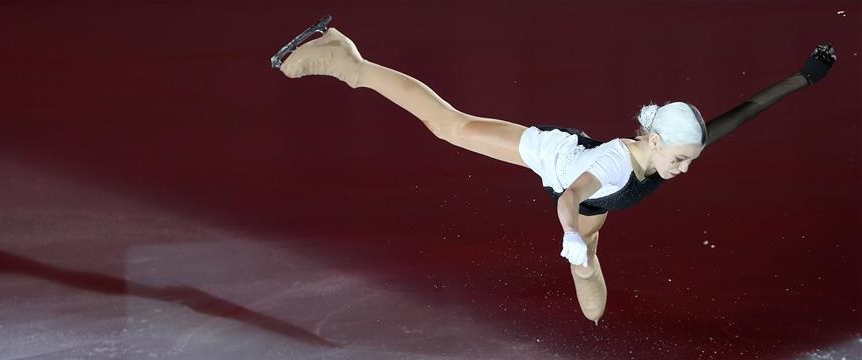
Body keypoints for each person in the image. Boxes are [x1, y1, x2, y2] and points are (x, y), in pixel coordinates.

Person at [272, 16, 837, 323]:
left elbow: (743, 113)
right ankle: (347, 60)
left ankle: (586, 262)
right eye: (680, 160)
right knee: (449, 126)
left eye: (688, 161)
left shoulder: (667, 147)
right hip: (565, 164)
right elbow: (573, 194)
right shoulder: (614, 167)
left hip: (591, 196)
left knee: (592, 296)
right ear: (656, 139)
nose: (684, 170)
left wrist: (803, 78)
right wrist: (570, 237)